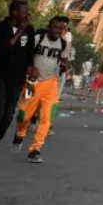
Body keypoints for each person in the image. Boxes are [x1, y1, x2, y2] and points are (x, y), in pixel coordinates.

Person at [0, 0, 36, 171]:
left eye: (27, 11)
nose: (26, 15)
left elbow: (29, 53)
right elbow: (3, 49)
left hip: (18, 78)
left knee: (9, 114)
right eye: (23, 12)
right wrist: (20, 31)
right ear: (14, 12)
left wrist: (31, 71)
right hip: (0, 76)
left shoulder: (30, 30)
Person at [11, 17, 70, 164]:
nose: (57, 31)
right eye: (55, 28)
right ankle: (20, 132)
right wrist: (29, 70)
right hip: (32, 83)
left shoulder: (63, 43)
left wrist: (65, 65)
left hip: (51, 84)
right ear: (49, 26)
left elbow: (64, 59)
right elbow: (25, 56)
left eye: (60, 29)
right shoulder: (37, 38)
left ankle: (35, 150)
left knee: (47, 118)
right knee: (24, 115)